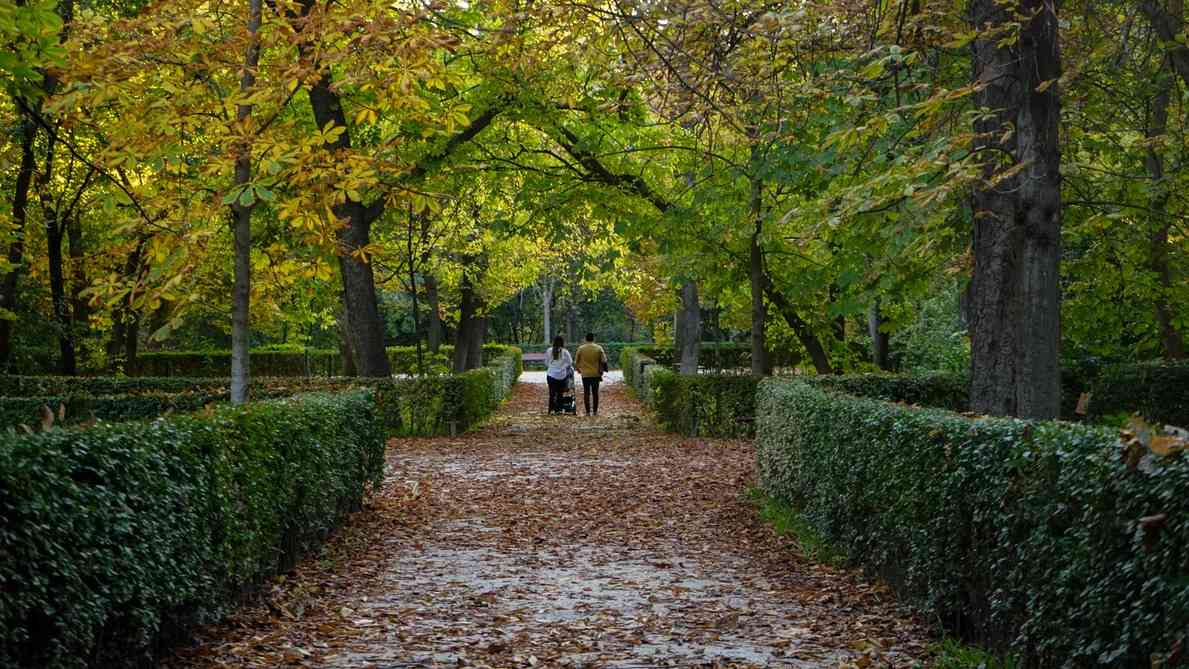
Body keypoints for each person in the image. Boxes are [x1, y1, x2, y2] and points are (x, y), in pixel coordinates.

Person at [574, 332, 609, 416]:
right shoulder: (598, 348)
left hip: (585, 374)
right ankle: (595, 411)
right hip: (595, 374)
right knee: (595, 393)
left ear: (585, 339)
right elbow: (604, 360)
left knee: (586, 393)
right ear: (593, 339)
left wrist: (579, 369)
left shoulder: (581, 348)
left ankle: (587, 412)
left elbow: (576, 361)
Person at [545, 335, 573, 415]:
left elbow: (546, 362)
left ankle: (550, 410)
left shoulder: (549, 350)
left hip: (551, 375)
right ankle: (559, 409)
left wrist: (552, 367)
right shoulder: (565, 352)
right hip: (562, 376)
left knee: (552, 393)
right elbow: (570, 362)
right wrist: (563, 367)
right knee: (560, 393)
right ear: (562, 343)